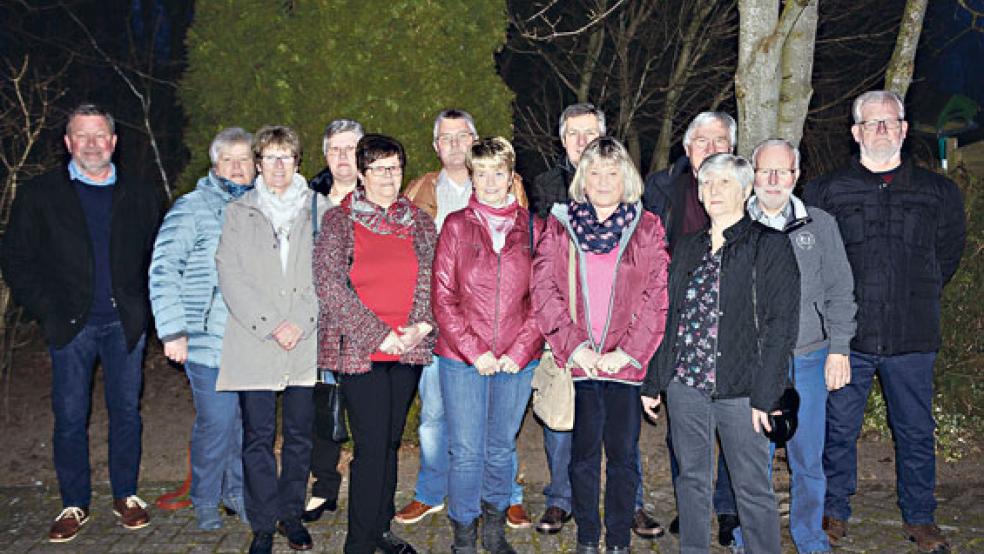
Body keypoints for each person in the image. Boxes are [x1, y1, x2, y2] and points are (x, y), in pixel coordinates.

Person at [805, 90, 966, 553]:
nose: (882, 129)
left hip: (912, 335)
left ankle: (920, 516)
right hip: (847, 339)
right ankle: (833, 510)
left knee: (915, 430)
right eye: (871, 123)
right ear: (855, 132)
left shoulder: (938, 192)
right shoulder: (826, 192)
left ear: (904, 128)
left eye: (890, 121)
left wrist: (919, 292)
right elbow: (814, 262)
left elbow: (947, 254)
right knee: (838, 427)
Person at [1, 103, 162, 543]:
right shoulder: (40, 195)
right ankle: (74, 502)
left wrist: (147, 307)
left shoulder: (142, 194)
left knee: (126, 413)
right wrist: (47, 309)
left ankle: (126, 495)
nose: (92, 145)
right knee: (70, 416)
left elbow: (158, 257)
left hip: (125, 324)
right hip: (70, 325)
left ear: (113, 142)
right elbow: (16, 258)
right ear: (68, 142)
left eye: (100, 136)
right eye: (81, 136)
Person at [641, 153, 800, 554]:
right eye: (707, 182)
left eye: (724, 183)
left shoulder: (770, 246)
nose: (712, 190)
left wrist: (767, 395)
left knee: (751, 486)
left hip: (743, 391)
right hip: (686, 386)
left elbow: (782, 326)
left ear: (745, 191)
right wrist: (655, 380)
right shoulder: (687, 247)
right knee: (691, 480)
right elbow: (669, 314)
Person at [530, 103, 663, 539]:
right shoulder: (559, 225)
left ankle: (620, 538)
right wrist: (577, 348)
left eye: (612, 174)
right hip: (582, 362)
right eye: (595, 174)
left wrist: (627, 353)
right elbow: (544, 292)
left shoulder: (647, 227)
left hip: (624, 366)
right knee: (582, 456)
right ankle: (588, 536)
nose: (603, 183)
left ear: (626, 178)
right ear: (581, 179)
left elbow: (656, 297)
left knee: (623, 457)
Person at [397, 109, 531, 529]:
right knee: (436, 417)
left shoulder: (521, 204)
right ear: (436, 145)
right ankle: (432, 493)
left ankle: (505, 497)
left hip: (507, 339)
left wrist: (518, 346)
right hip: (446, 333)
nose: (455, 145)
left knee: (498, 434)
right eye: (446, 138)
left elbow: (532, 282)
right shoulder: (420, 190)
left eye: (463, 136)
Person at [315, 134, 437, 554]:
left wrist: (420, 326)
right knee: (369, 445)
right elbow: (329, 286)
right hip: (360, 350)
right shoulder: (338, 221)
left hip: (408, 350)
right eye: (380, 168)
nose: (389, 176)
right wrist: (379, 333)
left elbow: (431, 279)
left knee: (389, 441)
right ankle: (359, 541)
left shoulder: (419, 222)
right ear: (363, 174)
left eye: (396, 168)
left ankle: (380, 528)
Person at [214, 125, 324, 554]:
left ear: (298, 162)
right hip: (255, 341)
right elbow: (231, 274)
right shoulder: (238, 212)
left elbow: (330, 273)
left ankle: (290, 515)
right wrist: (272, 324)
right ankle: (262, 523)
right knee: (257, 437)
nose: (279, 167)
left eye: (287, 157)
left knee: (299, 435)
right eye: (270, 158)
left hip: (304, 340)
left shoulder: (320, 208)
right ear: (258, 163)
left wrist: (299, 321)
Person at [431, 137, 543, 553]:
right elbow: (442, 296)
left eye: (499, 172)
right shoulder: (456, 226)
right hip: (462, 360)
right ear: (472, 177)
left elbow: (544, 298)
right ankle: (464, 534)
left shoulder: (535, 227)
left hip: (517, 360)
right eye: (482, 173)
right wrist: (474, 350)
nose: (491, 181)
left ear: (512, 176)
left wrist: (518, 350)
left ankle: (494, 531)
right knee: (465, 451)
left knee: (499, 448)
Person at [746, 138, 857, 554]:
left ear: (796, 176)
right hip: (754, 364)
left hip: (809, 358)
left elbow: (841, 290)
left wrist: (839, 347)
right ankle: (751, 535)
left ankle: (810, 536)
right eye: (765, 171)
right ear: (753, 175)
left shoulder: (821, 225)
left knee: (808, 460)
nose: (773, 180)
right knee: (752, 457)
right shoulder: (737, 224)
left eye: (783, 172)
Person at [642, 110, 741, 543]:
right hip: (679, 324)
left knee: (736, 427)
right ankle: (693, 507)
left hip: (734, 330)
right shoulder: (662, 191)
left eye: (720, 140)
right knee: (685, 427)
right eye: (702, 141)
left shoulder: (747, 188)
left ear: (732, 149)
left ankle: (729, 507)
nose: (711, 148)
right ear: (687, 149)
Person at [148, 127, 255, 530]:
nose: (237, 167)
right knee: (217, 422)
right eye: (229, 159)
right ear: (215, 164)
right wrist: (172, 330)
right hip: (207, 338)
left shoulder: (264, 207)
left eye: (244, 159)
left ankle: (236, 492)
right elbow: (163, 269)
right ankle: (206, 497)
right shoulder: (190, 208)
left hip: (252, 341)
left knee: (242, 424)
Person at [302, 118, 365, 523]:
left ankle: (370, 489)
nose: (343, 157)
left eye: (351, 148)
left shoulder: (379, 195)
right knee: (323, 409)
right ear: (325, 154)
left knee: (369, 414)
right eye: (336, 149)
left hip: (368, 322)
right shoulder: (306, 200)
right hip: (320, 323)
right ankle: (324, 487)